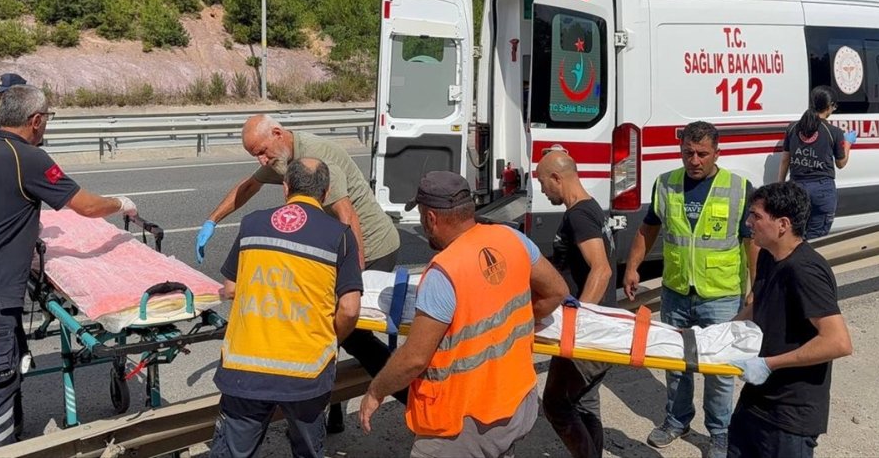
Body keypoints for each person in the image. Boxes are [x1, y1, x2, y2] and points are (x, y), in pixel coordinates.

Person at [0, 85, 137, 452]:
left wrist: (0, 213)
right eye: (47, 120)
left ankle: (9, 433)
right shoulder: (29, 158)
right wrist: (123, 202)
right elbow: (89, 207)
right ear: (36, 120)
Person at [196, 114, 403, 431]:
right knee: (328, 331)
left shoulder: (316, 158)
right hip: (336, 248)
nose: (263, 160)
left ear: (278, 133)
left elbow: (348, 218)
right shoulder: (280, 157)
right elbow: (249, 185)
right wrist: (212, 220)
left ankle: (411, 394)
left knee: (350, 334)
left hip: (371, 248)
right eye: (256, 155)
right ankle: (329, 410)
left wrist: (352, 278)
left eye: (263, 151)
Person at [358, 171, 568, 458]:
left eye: (421, 216)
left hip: (463, 424)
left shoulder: (444, 272)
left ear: (431, 218)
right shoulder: (512, 238)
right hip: (518, 400)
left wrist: (376, 391)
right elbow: (557, 290)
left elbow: (415, 358)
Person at [208, 158, 362, 458]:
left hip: (245, 368)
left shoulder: (252, 223)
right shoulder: (339, 236)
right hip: (306, 370)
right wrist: (330, 338)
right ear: (326, 192)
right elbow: (350, 309)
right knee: (308, 451)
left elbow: (230, 288)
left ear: (286, 188)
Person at [622, 121, 758, 458]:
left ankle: (719, 432)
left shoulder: (739, 187)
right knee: (676, 362)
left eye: (701, 154)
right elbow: (648, 228)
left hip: (721, 295)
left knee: (718, 369)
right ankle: (677, 420)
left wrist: (756, 287)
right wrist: (632, 266)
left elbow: (750, 243)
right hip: (677, 291)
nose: (694, 160)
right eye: (687, 153)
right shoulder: (666, 185)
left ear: (716, 153)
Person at [728, 182, 853, 458]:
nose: (748, 222)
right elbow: (760, 301)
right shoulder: (768, 257)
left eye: (756, 216)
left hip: (790, 416)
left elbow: (838, 342)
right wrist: (725, 333)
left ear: (782, 224)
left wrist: (769, 364)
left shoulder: (805, 270)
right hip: (756, 401)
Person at [537, 149, 614, 458]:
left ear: (557, 178)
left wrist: (578, 322)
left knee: (556, 405)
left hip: (587, 330)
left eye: (543, 182)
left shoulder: (579, 214)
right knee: (583, 402)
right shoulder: (591, 207)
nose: (542, 190)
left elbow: (602, 268)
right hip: (601, 327)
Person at [777, 85, 855, 239]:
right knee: (817, 239)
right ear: (829, 106)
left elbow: (785, 159)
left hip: (796, 188)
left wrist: (780, 185)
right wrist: (848, 144)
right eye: (834, 106)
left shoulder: (793, 128)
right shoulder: (834, 132)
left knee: (795, 236)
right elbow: (841, 163)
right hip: (822, 190)